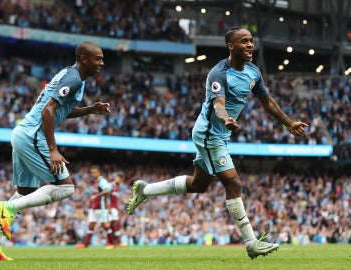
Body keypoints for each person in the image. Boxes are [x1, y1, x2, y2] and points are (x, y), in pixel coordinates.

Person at [127, 26, 309, 259]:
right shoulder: (218, 73)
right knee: (233, 184)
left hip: (221, 134)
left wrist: (288, 123)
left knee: (198, 185)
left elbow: (267, 101)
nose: (250, 45)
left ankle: (146, 190)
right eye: (244, 41)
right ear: (231, 46)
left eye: (251, 40)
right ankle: (251, 243)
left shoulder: (253, 72)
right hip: (209, 133)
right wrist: (226, 119)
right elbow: (218, 105)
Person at [0, 41, 110, 260]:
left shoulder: (73, 77)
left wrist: (89, 110)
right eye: (98, 58)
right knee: (66, 188)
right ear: (84, 59)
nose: (101, 63)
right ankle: (8, 207)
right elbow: (48, 111)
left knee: (25, 193)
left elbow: (61, 110)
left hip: (22, 133)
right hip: (32, 136)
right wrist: (53, 149)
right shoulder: (73, 79)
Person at [75, 165, 115, 249]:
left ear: (99, 172)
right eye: (92, 172)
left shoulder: (102, 181)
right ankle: (85, 244)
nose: (93, 174)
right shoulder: (96, 182)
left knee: (105, 225)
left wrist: (96, 196)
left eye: (94, 172)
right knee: (91, 225)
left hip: (101, 207)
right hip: (94, 207)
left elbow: (107, 190)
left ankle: (111, 243)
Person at [106, 171, 127, 247]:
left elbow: (117, 200)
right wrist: (108, 208)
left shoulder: (117, 187)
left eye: (121, 179)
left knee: (114, 224)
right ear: (116, 178)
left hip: (114, 208)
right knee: (111, 224)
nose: (120, 180)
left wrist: (118, 210)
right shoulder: (110, 185)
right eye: (119, 178)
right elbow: (107, 197)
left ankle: (114, 242)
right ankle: (112, 242)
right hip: (110, 208)